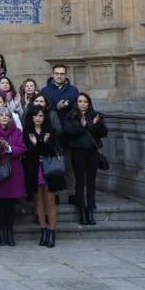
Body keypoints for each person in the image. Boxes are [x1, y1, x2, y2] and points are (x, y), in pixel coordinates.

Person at [62, 93, 108, 226]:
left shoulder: (95, 115)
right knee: (80, 181)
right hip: (78, 151)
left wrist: (95, 125)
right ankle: (81, 211)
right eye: (80, 101)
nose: (82, 104)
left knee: (91, 182)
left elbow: (104, 133)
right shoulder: (71, 115)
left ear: (89, 103)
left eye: (85, 101)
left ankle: (90, 211)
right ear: (76, 103)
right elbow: (69, 132)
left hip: (92, 152)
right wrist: (83, 126)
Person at [23, 103, 62, 247]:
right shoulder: (27, 132)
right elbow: (27, 153)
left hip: (49, 170)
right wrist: (36, 144)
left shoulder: (50, 132)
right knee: (38, 201)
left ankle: (52, 232)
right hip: (34, 170)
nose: (38, 118)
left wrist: (40, 144)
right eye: (35, 115)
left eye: (40, 115)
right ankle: (43, 230)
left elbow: (52, 151)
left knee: (50, 201)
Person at [0, 108, 26, 247]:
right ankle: (0, 233)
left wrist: (9, 148)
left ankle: (9, 233)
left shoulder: (17, 131)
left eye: (7, 115)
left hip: (14, 171)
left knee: (10, 205)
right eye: (1, 115)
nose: (4, 117)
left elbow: (22, 148)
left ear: (11, 118)